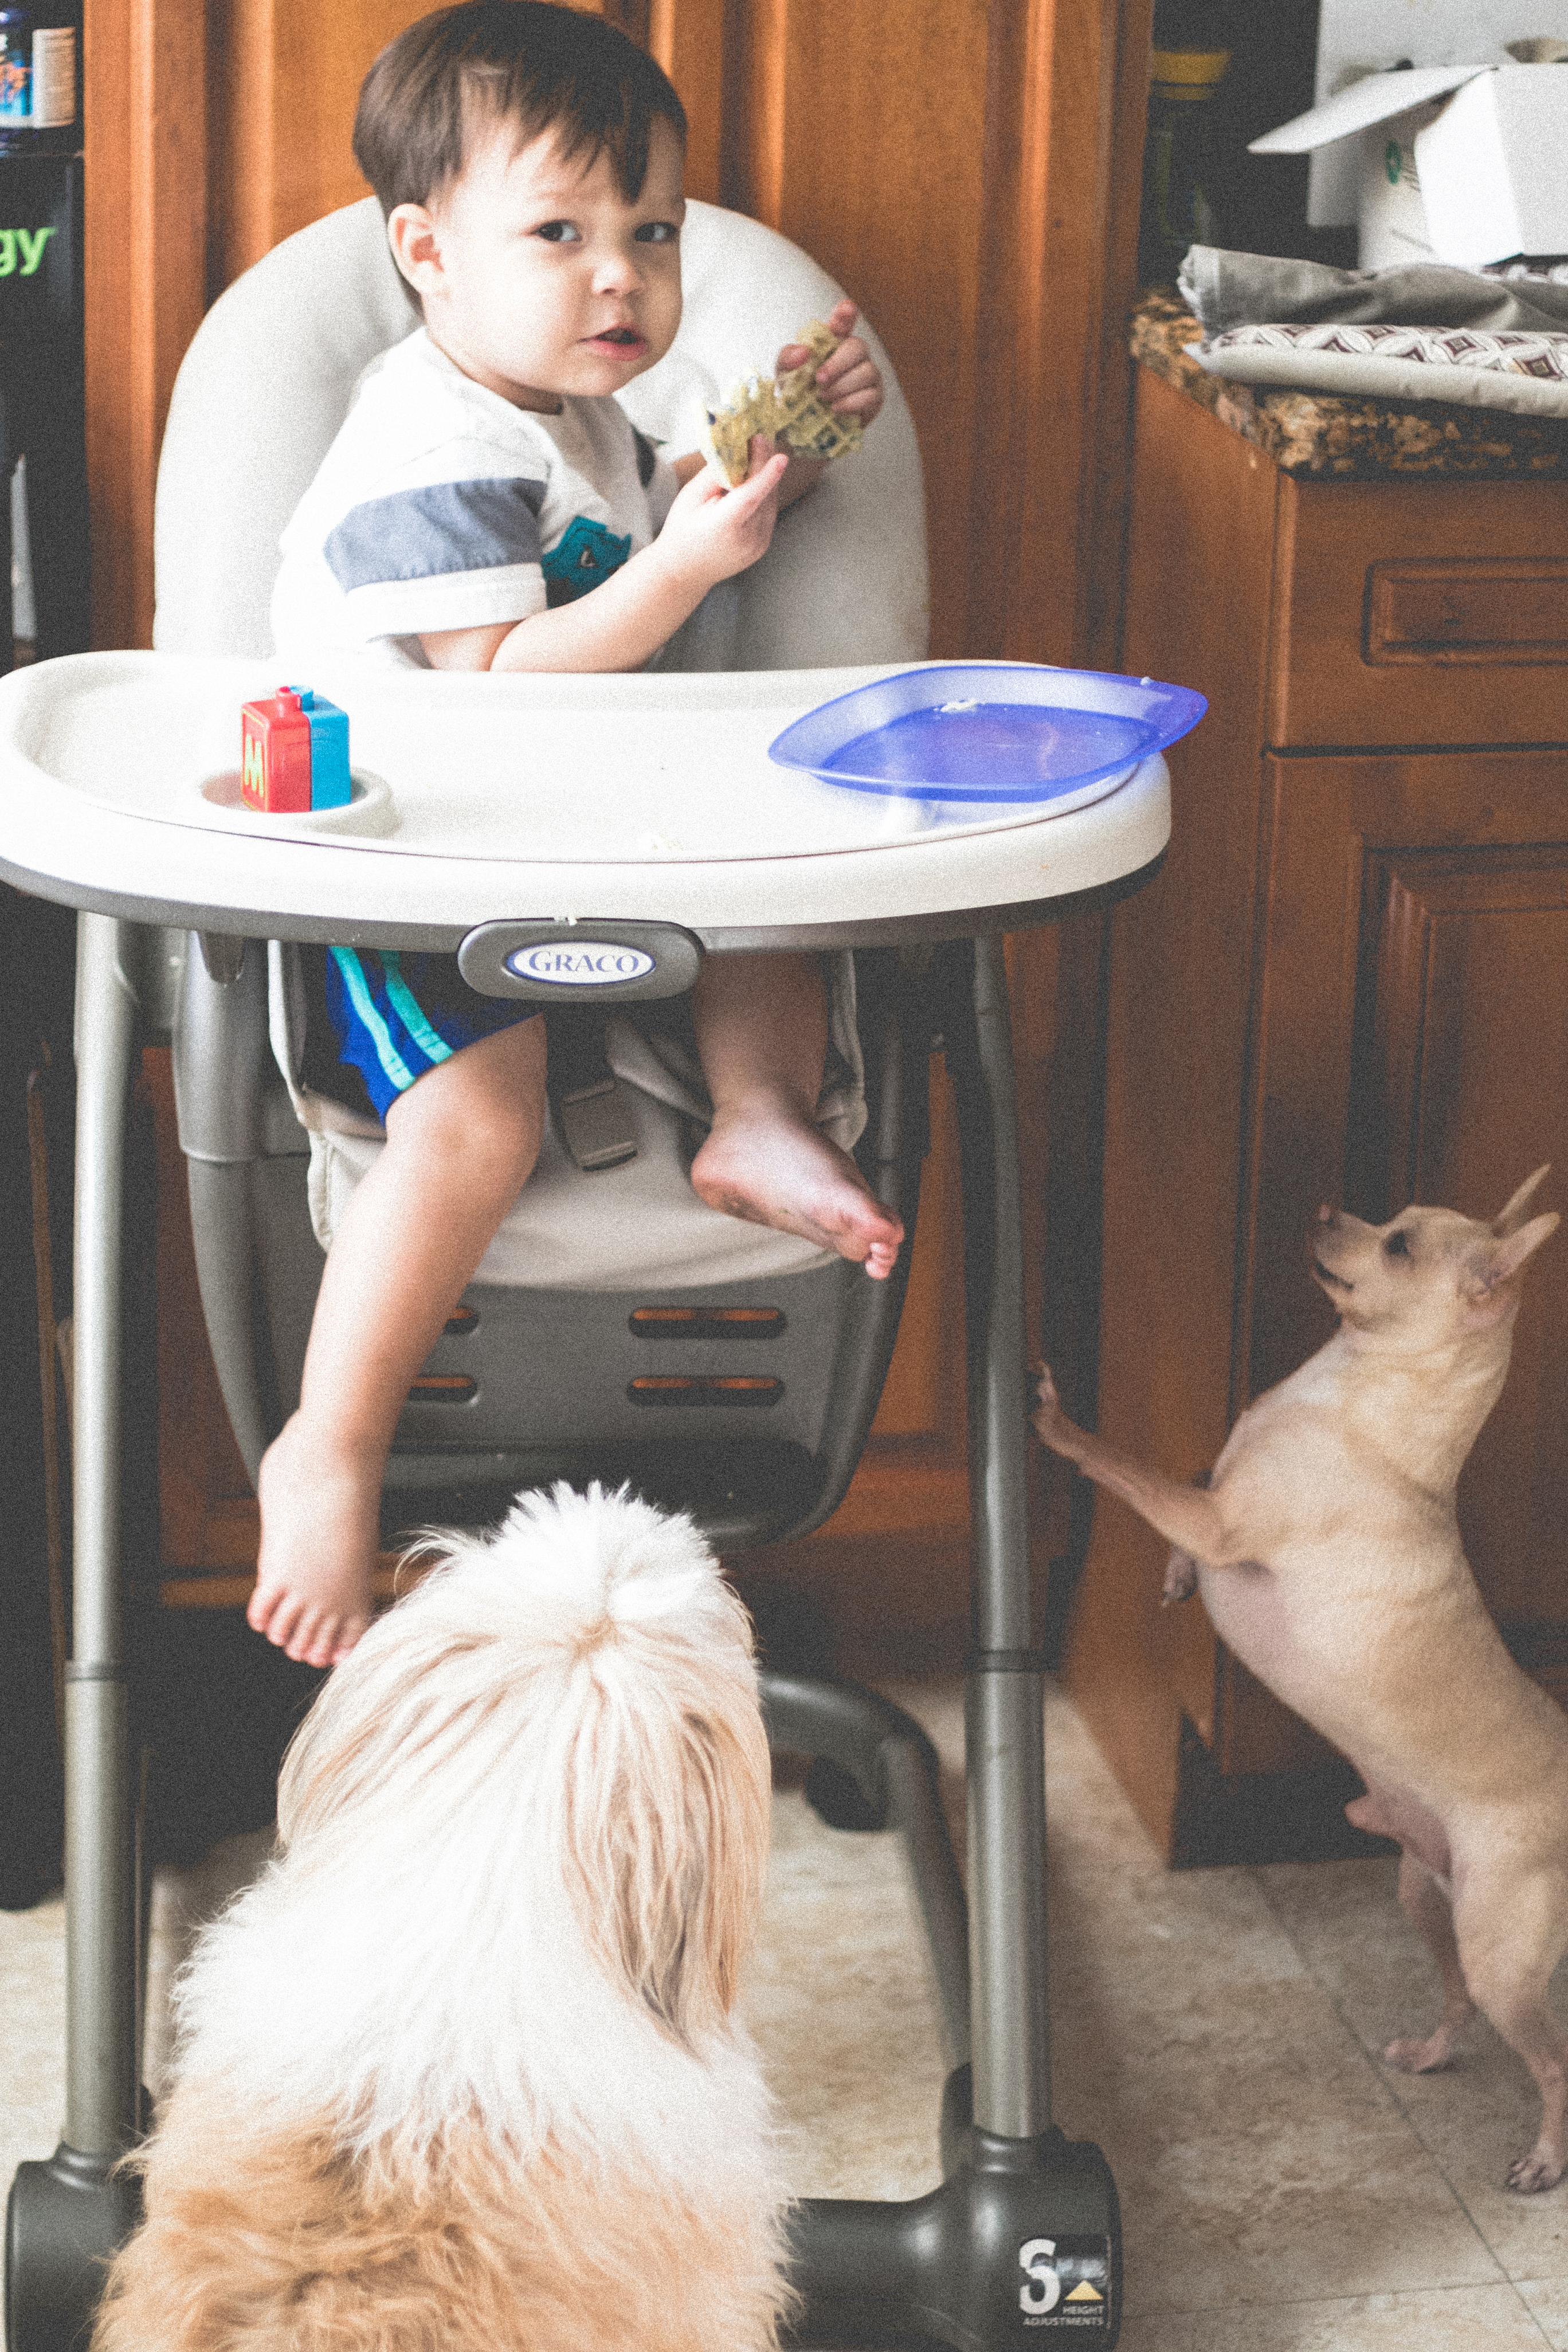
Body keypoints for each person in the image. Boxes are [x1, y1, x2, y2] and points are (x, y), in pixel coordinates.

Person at [252, 0, 904, 1670]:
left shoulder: (568, 410)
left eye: (654, 232)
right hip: (409, 868)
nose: (622, 275)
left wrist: (773, 454)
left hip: (578, 845)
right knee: (478, 1117)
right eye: (562, 234)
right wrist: (689, 567)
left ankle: (752, 1115)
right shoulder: (427, 443)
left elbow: (638, 514)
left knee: (784, 901)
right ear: (428, 253)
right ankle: (329, 1440)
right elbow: (500, 677)